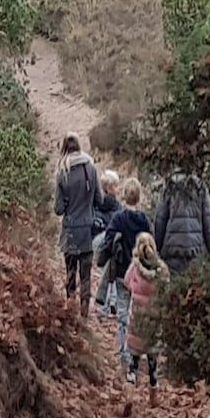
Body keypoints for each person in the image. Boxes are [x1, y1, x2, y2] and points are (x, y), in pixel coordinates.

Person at [101, 181, 152, 377]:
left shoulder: (118, 218)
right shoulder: (144, 220)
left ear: (123, 195)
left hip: (122, 273)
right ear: (139, 197)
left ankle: (125, 354)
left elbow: (107, 242)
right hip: (139, 275)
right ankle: (138, 352)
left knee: (123, 314)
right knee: (137, 314)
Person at [51, 134, 101, 315]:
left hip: (70, 230)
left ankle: (70, 309)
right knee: (86, 274)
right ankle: (84, 310)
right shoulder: (91, 168)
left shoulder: (62, 172)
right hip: (87, 229)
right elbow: (100, 199)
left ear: (64, 148)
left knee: (70, 271)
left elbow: (58, 209)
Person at [122, 232, 169, 389]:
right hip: (153, 318)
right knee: (152, 355)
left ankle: (131, 381)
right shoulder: (161, 269)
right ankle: (153, 386)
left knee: (134, 353)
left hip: (137, 317)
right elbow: (167, 288)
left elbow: (127, 282)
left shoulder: (135, 268)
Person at [153, 169, 210, 276]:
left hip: (172, 251)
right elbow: (208, 224)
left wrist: (156, 250)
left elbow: (160, 222)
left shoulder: (169, 188)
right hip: (196, 251)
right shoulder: (200, 188)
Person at [91, 172, 122, 319]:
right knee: (114, 252)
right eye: (116, 186)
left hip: (106, 245)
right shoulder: (114, 206)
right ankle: (109, 301)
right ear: (109, 188)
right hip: (101, 243)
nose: (118, 188)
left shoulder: (95, 202)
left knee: (112, 262)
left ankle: (109, 302)